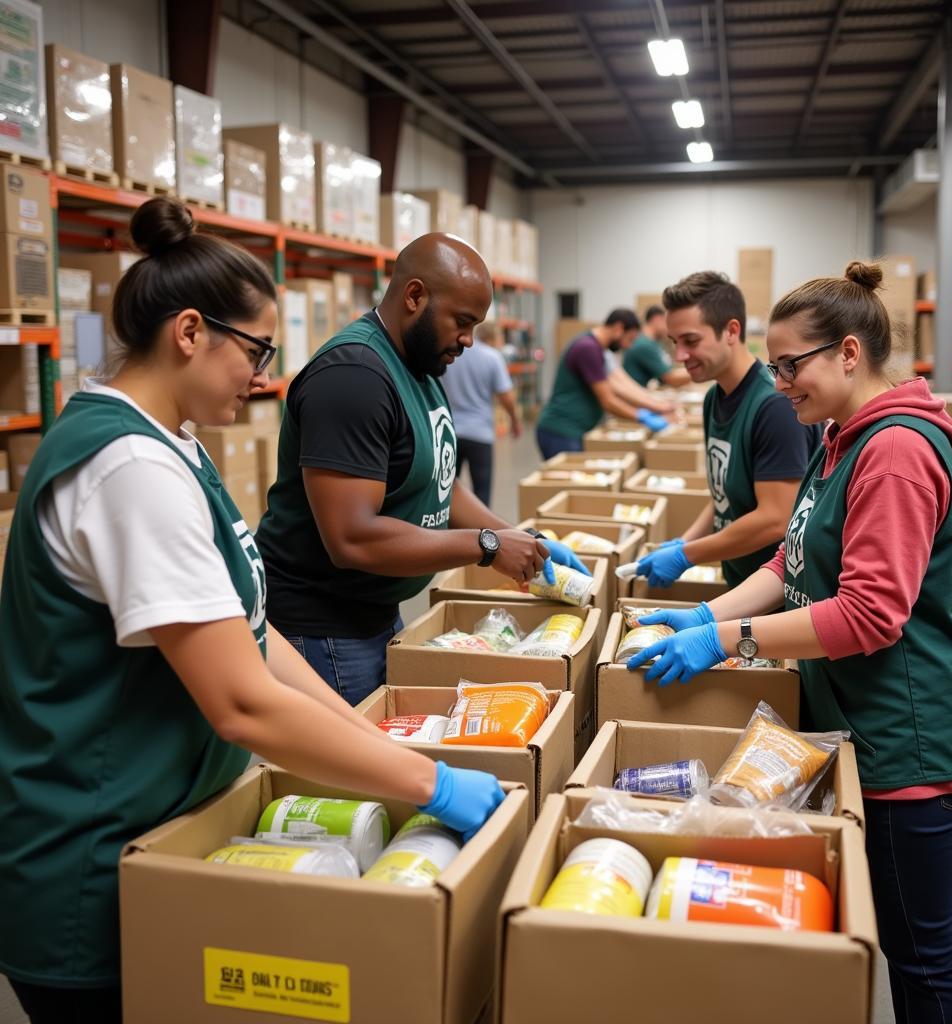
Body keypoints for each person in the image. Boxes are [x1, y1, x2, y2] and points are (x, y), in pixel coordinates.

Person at [0, 199, 505, 1024]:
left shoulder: (172, 445)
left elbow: (254, 641)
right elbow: (239, 701)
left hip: (150, 831)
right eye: (257, 350)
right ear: (190, 332)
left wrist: (364, 738)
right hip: (86, 864)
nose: (265, 377)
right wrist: (429, 781)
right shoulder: (129, 468)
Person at [628, 261, 952, 1024]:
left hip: (911, 739)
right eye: (775, 365)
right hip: (863, 725)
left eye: (791, 365)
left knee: (923, 953)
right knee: (900, 937)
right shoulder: (837, 439)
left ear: (850, 354)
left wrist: (728, 638)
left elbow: (868, 615)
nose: (779, 380)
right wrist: (705, 617)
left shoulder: (892, 454)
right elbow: (788, 558)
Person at [256, 234, 587, 704]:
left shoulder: (420, 369)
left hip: (373, 612)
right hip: (325, 629)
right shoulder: (355, 376)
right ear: (415, 296)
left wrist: (520, 538)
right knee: (356, 772)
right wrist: (487, 547)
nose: (469, 341)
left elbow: (440, 485)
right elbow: (351, 538)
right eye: (463, 322)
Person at [634, 272, 820, 590]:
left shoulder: (773, 406)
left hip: (774, 596)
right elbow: (726, 498)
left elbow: (775, 518)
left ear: (731, 331)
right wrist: (683, 542)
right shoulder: (713, 400)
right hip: (737, 580)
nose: (680, 356)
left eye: (691, 341)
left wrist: (688, 555)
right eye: (675, 343)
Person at [535, 307, 673, 459]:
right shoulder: (587, 348)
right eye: (629, 339)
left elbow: (622, 384)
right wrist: (643, 417)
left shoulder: (600, 350)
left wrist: (656, 405)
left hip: (574, 430)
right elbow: (608, 400)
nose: (627, 346)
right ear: (618, 328)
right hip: (561, 430)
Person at [443, 319, 520, 506]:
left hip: (449, 431)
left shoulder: (453, 353)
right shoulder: (492, 357)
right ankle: (480, 534)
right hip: (480, 434)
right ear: (493, 337)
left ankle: (448, 532)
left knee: (446, 490)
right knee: (481, 492)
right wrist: (515, 421)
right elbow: (506, 396)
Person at [622, 305, 691, 388]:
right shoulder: (644, 345)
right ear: (656, 319)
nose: (668, 328)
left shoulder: (653, 343)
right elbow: (671, 378)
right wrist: (701, 371)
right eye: (667, 323)